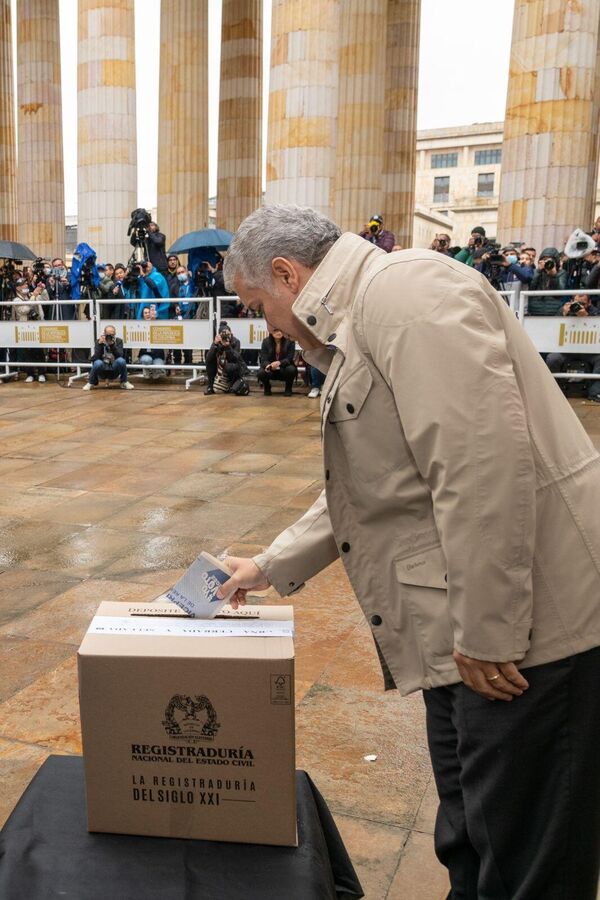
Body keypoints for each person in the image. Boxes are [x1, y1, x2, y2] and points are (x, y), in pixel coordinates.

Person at [217, 204, 600, 900]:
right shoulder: (366, 318)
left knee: (526, 861)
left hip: (524, 636)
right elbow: (375, 485)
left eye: (258, 304)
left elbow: (481, 468)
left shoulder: (408, 297)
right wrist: (268, 566)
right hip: (469, 631)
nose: (265, 326)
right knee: (474, 838)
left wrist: (488, 630)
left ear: (286, 273)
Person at [545, 294, 600, 402]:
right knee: (552, 359)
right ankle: (556, 392)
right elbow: (552, 328)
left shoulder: (595, 312)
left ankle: (595, 392)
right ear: (571, 301)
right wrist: (562, 313)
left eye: (583, 304)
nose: (579, 306)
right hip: (567, 349)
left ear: (589, 303)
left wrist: (587, 317)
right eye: (577, 303)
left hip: (588, 350)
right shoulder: (565, 309)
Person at [11, 278, 47, 382]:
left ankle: (41, 373)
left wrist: (42, 290)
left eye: (26, 284)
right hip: (25, 327)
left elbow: (45, 299)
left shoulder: (32, 294)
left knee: (39, 351)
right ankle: (30, 374)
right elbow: (24, 310)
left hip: (38, 325)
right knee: (28, 351)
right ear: (17, 288)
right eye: (23, 285)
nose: (26, 286)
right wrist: (34, 296)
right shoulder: (16, 300)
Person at [84, 324, 134, 390]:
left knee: (121, 361)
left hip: (114, 369)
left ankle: (124, 382)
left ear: (115, 333)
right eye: (108, 334)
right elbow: (96, 357)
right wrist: (100, 344)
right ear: (104, 333)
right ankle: (91, 383)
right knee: (97, 362)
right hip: (102, 369)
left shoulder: (119, 341)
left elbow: (120, 355)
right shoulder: (99, 341)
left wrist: (112, 345)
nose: (110, 336)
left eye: (112, 334)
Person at [204, 327, 248, 395]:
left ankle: (231, 384)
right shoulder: (217, 341)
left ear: (231, 333)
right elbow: (208, 358)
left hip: (233, 366)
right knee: (209, 362)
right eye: (223, 334)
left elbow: (236, 358)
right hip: (221, 368)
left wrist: (228, 347)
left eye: (228, 334)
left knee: (228, 366)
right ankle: (210, 386)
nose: (225, 336)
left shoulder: (236, 341)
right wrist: (215, 344)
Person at [257, 328, 297, 396]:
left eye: (281, 330)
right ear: (271, 332)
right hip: (271, 369)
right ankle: (267, 387)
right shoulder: (266, 341)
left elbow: (289, 358)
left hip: (284, 368)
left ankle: (288, 388)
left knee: (291, 369)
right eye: (276, 331)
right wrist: (269, 365)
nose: (279, 333)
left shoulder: (290, 341)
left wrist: (279, 363)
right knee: (261, 372)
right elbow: (264, 359)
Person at [528, 248, 567, 315]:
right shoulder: (536, 272)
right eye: (544, 260)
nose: (547, 262)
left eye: (549, 260)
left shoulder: (561, 273)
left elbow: (559, 292)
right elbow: (531, 288)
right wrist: (539, 271)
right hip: (535, 310)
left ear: (555, 261)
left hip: (554, 311)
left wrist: (553, 275)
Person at [138, 306, 166, 380]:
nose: (147, 314)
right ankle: (146, 370)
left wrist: (154, 319)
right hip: (145, 354)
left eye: (148, 312)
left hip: (158, 354)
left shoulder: (158, 322)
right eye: (145, 313)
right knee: (146, 360)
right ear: (142, 315)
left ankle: (155, 371)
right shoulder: (139, 325)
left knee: (158, 370)